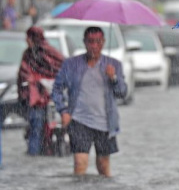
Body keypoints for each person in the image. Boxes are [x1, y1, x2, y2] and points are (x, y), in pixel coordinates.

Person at [51, 26, 127, 177]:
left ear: (103, 42)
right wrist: (63, 111)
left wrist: (113, 78)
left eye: (98, 42)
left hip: (105, 123)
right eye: (91, 42)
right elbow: (57, 89)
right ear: (84, 42)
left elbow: (122, 93)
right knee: (80, 163)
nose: (94, 46)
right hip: (79, 120)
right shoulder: (72, 64)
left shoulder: (114, 65)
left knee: (103, 166)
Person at [17, 26, 64, 156]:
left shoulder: (49, 52)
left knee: (43, 129)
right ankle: (35, 155)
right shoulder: (28, 54)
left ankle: (40, 152)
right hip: (35, 99)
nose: (26, 40)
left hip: (51, 98)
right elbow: (23, 74)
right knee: (35, 128)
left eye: (28, 37)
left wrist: (42, 79)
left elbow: (63, 69)